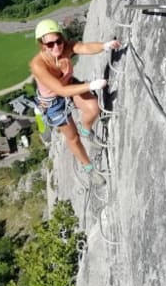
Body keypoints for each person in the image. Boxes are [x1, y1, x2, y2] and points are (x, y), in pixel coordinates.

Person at [30, 18, 121, 186]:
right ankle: (89, 169)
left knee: (93, 108)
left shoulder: (65, 48)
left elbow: (84, 47)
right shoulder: (38, 65)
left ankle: (86, 131)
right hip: (53, 102)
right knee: (73, 139)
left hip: (69, 86)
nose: (56, 47)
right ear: (42, 45)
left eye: (58, 41)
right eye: (50, 44)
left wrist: (105, 46)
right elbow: (60, 91)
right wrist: (91, 85)